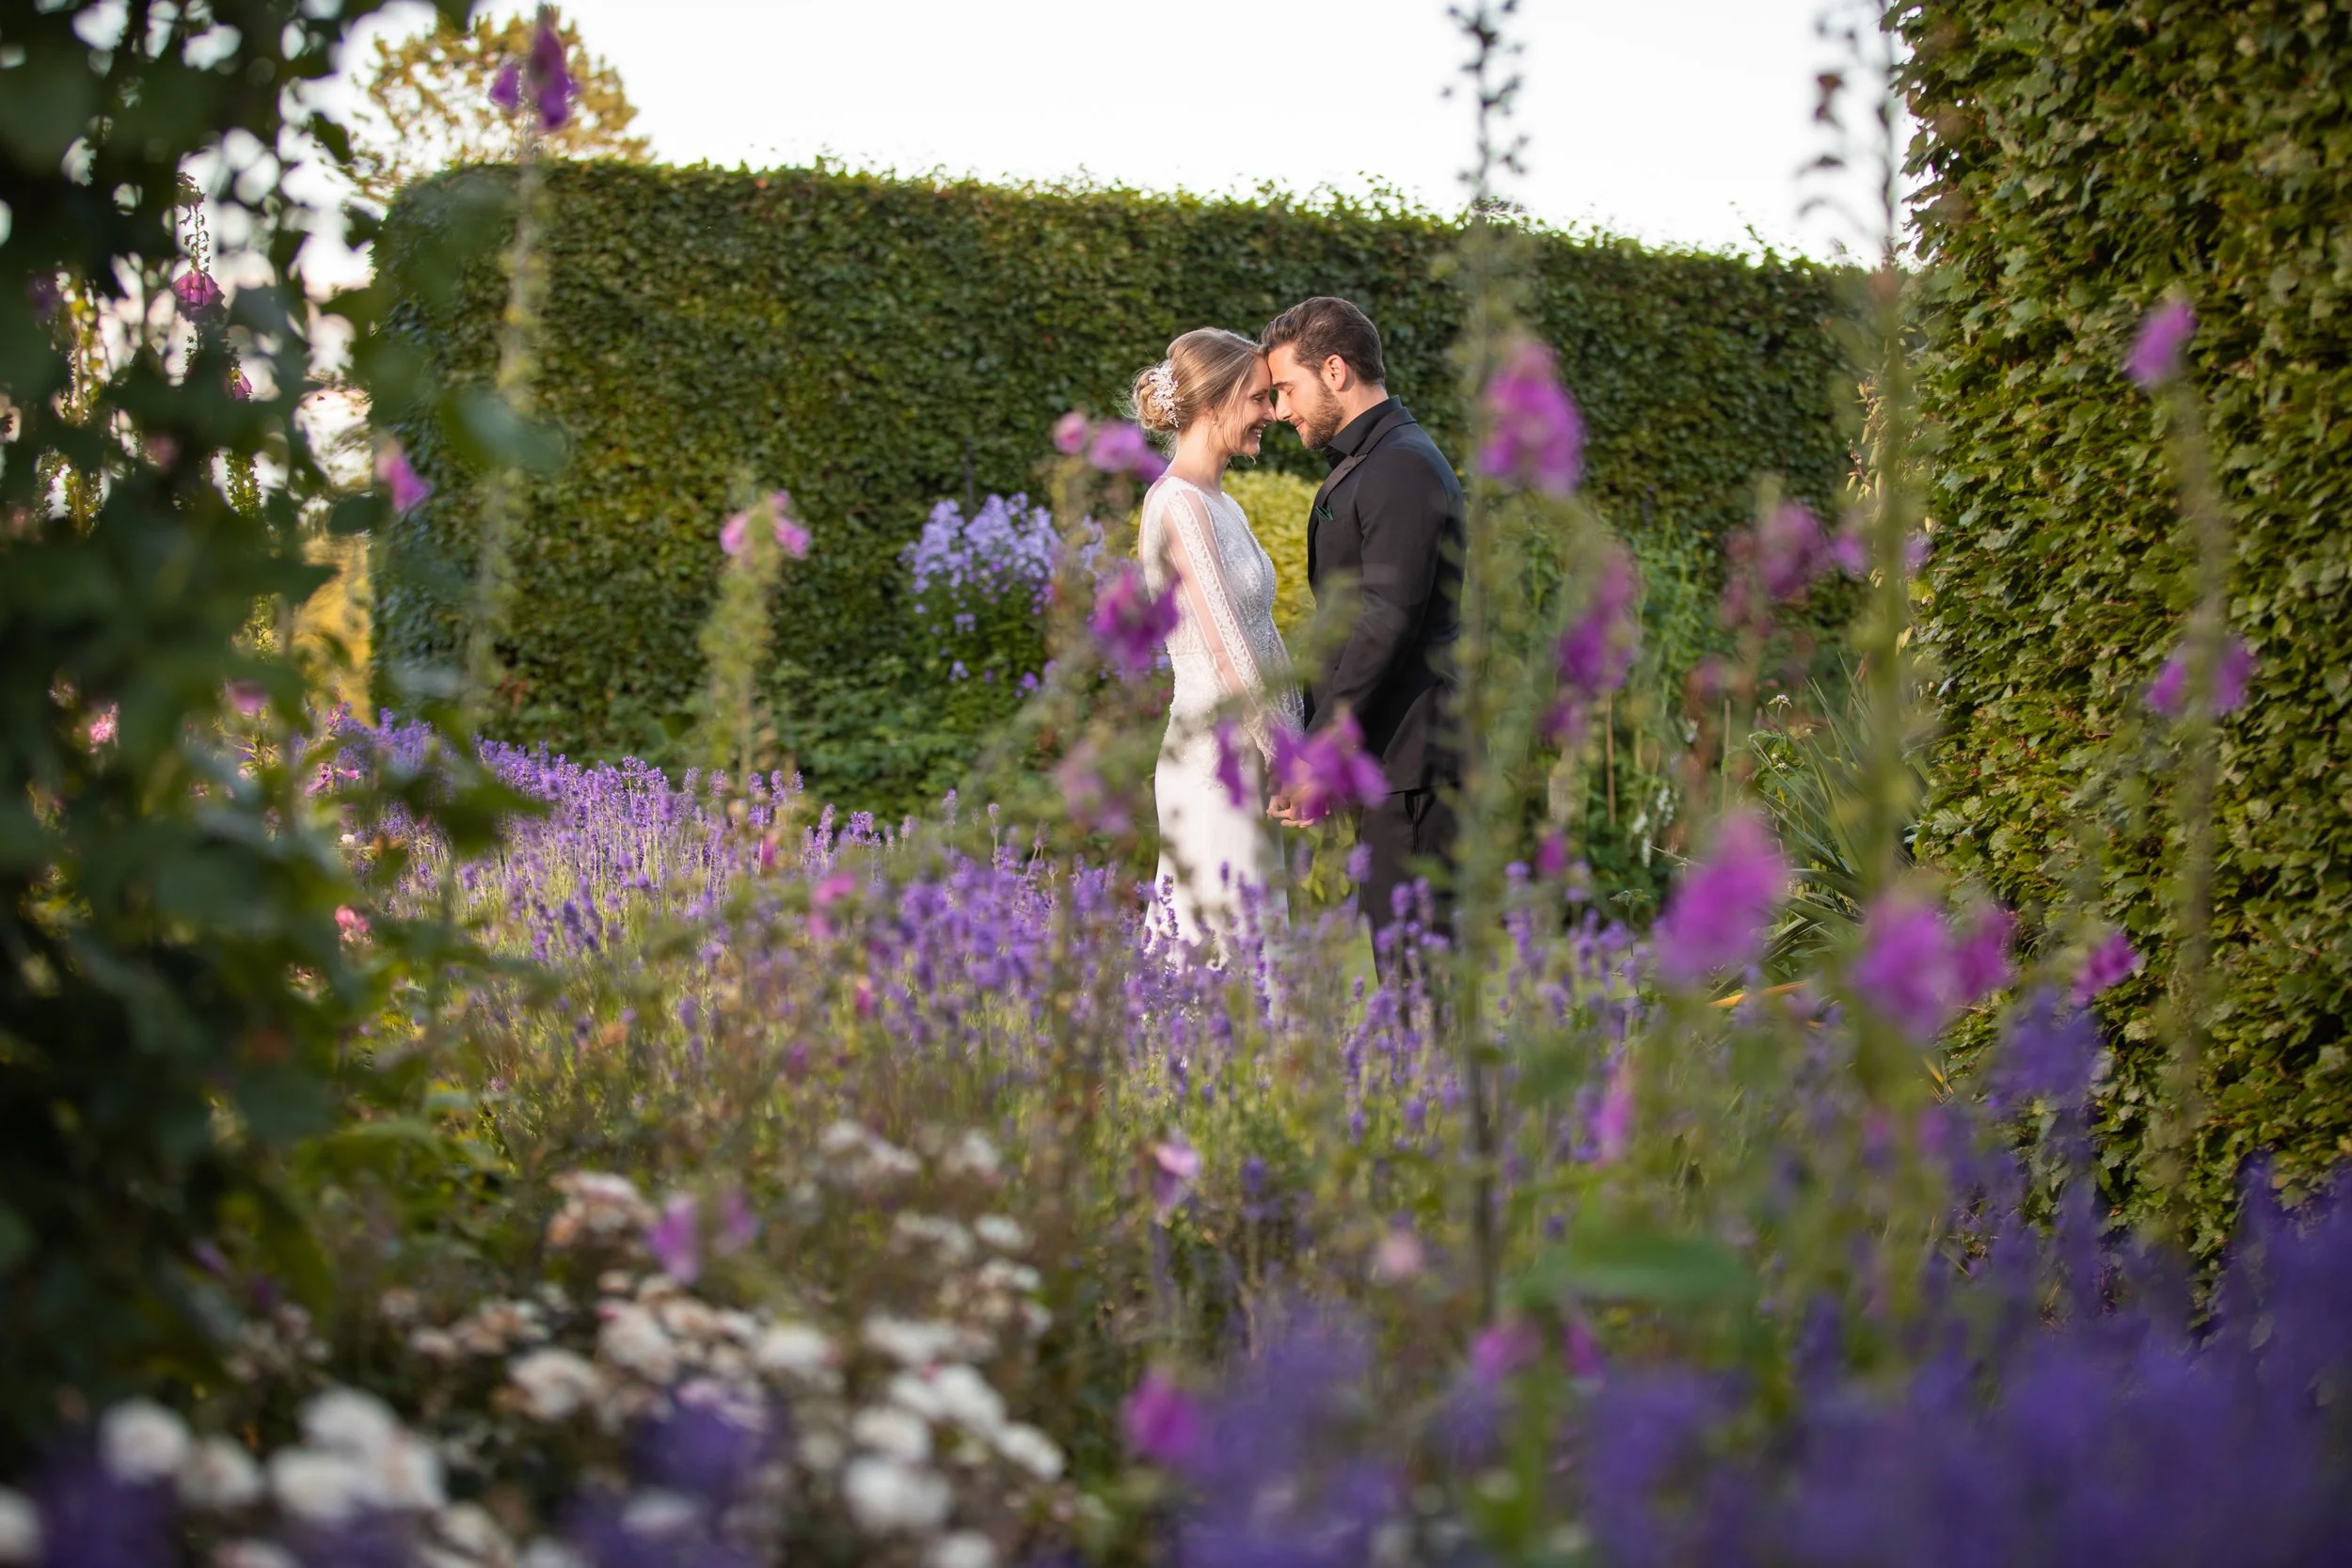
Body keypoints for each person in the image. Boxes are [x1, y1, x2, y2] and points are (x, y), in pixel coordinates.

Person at [1261, 296, 1465, 957]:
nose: (1281, 409)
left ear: (1336, 370)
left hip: (1414, 760)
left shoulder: (1400, 464)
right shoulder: (1370, 461)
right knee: (1401, 967)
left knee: (1417, 975)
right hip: (1387, 757)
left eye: (1287, 389)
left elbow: (1387, 618)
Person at [1132, 327, 1303, 954]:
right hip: (1213, 764)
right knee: (1219, 956)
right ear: (1213, 405)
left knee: (1256, 950)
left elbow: (1264, 636)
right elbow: (1228, 646)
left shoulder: (1222, 503)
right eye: (1258, 398)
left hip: (1250, 759)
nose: (1271, 414)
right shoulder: (1178, 505)